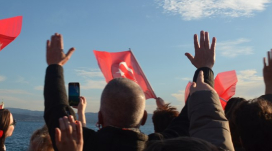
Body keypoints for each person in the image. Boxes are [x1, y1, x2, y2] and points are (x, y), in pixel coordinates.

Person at [43, 31, 233, 150]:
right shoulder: (163, 145)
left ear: (100, 117)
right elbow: (192, 115)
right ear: (143, 117)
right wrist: (205, 69)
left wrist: (55, 66)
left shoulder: (78, 143)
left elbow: (56, 109)